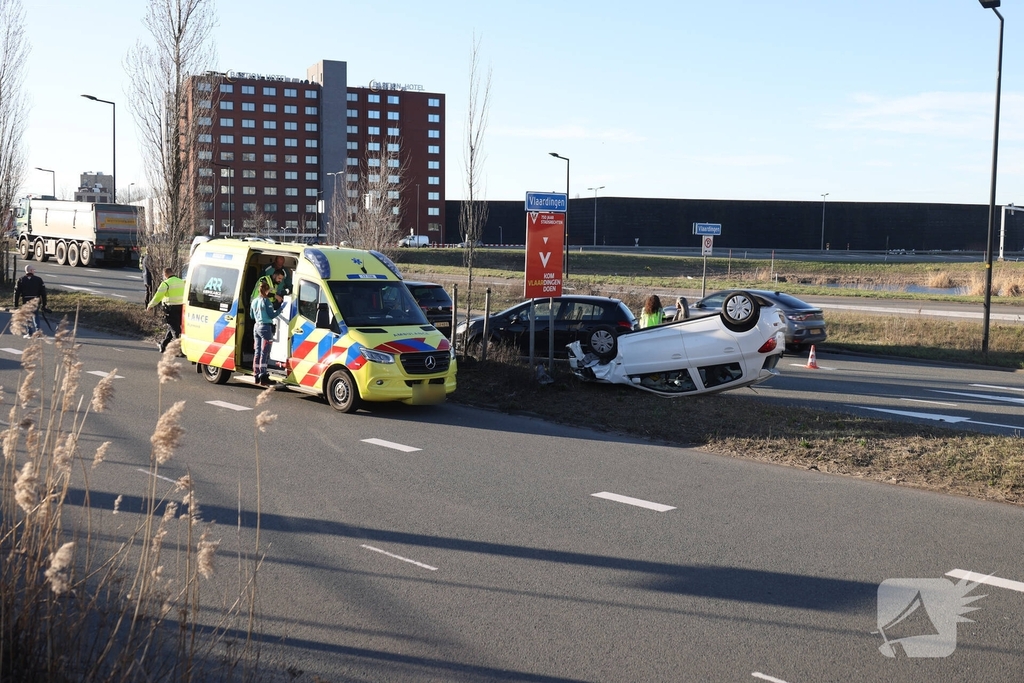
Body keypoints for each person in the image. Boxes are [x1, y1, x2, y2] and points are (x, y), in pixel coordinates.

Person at [250, 279, 284, 385]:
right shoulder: (266, 301)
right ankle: (263, 376)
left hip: (256, 327)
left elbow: (251, 316)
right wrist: (280, 309)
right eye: (268, 290)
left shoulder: (254, 301)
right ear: (266, 291)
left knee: (257, 352)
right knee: (265, 353)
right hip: (265, 328)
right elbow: (272, 315)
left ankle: (256, 374)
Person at [148, 267, 185, 352]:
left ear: (165, 274)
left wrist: (150, 305)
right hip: (182, 307)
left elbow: (158, 296)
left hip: (170, 308)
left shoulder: (165, 284)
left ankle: (178, 348)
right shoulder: (182, 282)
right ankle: (163, 345)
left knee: (174, 329)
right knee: (172, 326)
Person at [13, 264, 47, 337]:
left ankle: (30, 332)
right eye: (33, 270)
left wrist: (15, 304)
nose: (34, 271)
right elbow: (43, 293)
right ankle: (38, 331)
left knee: (27, 316)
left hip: (26, 301)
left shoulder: (21, 280)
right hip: (36, 300)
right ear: (31, 270)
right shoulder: (38, 280)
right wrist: (44, 304)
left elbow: (16, 293)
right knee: (36, 315)